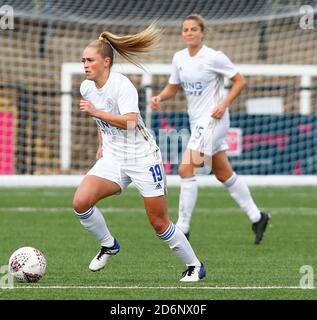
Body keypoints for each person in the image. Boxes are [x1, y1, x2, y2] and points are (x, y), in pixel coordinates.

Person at [72, 24, 206, 282]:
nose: (85, 65)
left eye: (90, 60)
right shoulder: (86, 88)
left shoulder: (122, 85)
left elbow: (131, 121)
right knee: (81, 202)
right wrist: (102, 143)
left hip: (142, 158)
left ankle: (195, 266)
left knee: (159, 222)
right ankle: (109, 244)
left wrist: (96, 113)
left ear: (106, 62)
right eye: (83, 61)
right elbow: (101, 122)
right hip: (112, 158)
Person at [150, 14, 271, 245]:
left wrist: (223, 104)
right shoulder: (179, 58)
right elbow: (173, 87)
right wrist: (159, 98)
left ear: (202, 32)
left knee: (186, 169)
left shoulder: (214, 57)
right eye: (185, 29)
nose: (189, 33)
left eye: (193, 29)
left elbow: (240, 81)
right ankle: (258, 217)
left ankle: (182, 228)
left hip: (215, 120)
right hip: (198, 122)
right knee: (223, 172)